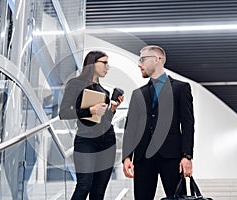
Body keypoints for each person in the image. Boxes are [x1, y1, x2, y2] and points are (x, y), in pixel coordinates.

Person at [122, 45, 194, 199]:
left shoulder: (181, 88)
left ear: (157, 59)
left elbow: (188, 124)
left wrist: (187, 156)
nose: (139, 64)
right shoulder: (138, 94)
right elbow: (131, 128)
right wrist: (127, 157)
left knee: (178, 198)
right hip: (143, 157)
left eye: (142, 59)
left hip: (171, 155)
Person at [59, 51, 123, 200]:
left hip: (107, 140)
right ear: (93, 63)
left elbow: (104, 120)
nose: (108, 67)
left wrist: (112, 109)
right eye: (104, 63)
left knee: (98, 192)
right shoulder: (75, 84)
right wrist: (90, 110)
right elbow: (63, 113)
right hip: (86, 139)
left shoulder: (103, 91)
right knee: (84, 185)